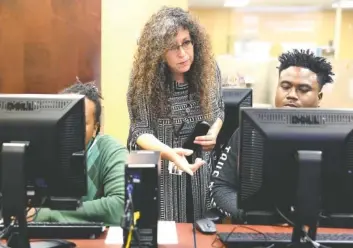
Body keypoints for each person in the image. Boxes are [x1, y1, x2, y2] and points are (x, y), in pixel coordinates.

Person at [209, 49, 335, 219]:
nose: (291, 95)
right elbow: (221, 186)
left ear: (319, 97)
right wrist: (248, 214)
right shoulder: (250, 133)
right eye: (285, 86)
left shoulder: (334, 137)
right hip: (257, 231)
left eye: (303, 89)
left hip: (317, 232)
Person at [127, 7, 224, 223]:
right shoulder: (144, 78)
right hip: (161, 170)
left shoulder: (209, 69)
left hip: (200, 169)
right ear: (158, 51)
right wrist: (170, 153)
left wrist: (214, 132)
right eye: (173, 47)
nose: (183, 53)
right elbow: (139, 131)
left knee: (199, 233)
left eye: (186, 42)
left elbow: (219, 110)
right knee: (166, 234)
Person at [32, 81, 128, 225]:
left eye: (81, 121)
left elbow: (122, 206)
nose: (71, 127)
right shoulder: (38, 149)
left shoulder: (111, 151)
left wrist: (50, 213)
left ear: (96, 128)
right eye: (65, 119)